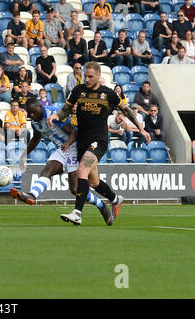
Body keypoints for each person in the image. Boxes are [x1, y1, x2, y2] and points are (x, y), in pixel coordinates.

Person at [47, 61, 151, 226]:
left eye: (90, 76)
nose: (87, 79)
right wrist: (56, 116)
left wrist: (141, 129)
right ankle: (116, 199)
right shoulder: (78, 91)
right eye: (85, 76)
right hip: (82, 140)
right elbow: (66, 109)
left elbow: (126, 110)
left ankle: (77, 213)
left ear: (98, 76)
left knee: (82, 169)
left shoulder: (108, 94)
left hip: (99, 140)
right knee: (93, 182)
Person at [10, 97, 113, 225]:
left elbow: (74, 132)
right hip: (62, 149)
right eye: (29, 113)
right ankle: (32, 195)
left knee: (75, 189)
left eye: (34, 112)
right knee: (46, 171)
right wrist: (23, 155)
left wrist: (68, 143)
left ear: (41, 107)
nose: (32, 115)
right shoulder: (35, 122)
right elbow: (36, 139)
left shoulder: (54, 114)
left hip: (74, 147)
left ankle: (101, 205)